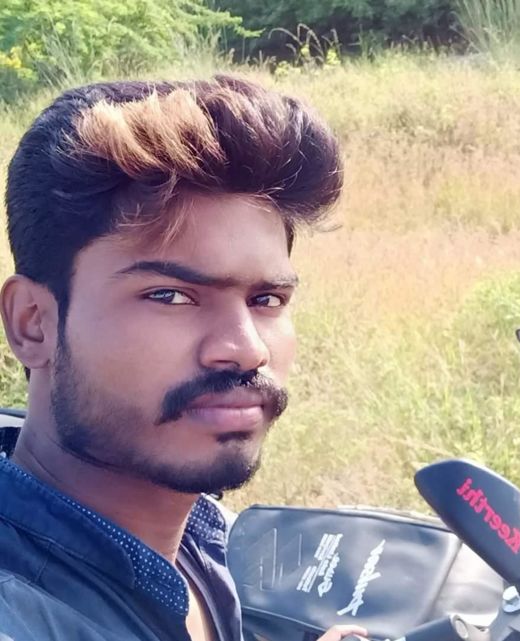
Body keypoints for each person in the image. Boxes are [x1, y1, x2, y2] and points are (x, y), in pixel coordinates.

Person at [0, 77, 367, 641]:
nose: (247, 348)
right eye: (170, 296)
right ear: (33, 323)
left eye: (267, 299)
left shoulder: (193, 527)